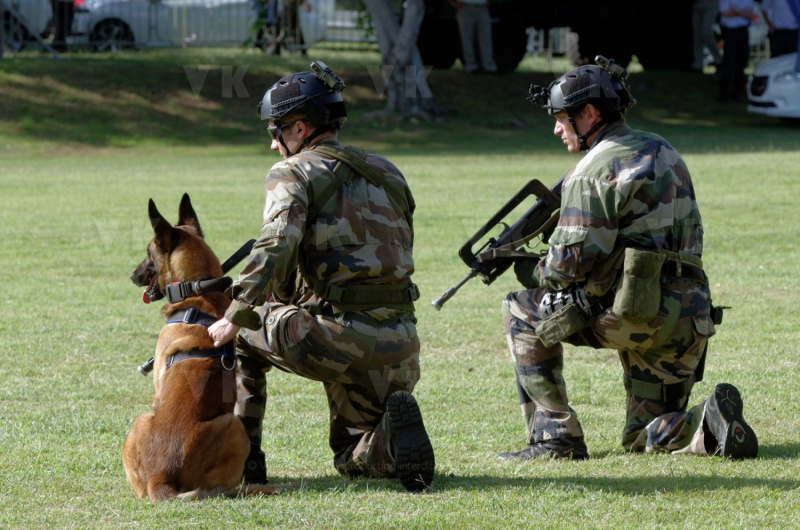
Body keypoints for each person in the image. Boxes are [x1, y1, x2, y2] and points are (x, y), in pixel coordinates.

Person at [497, 56, 758, 461]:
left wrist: (529, 266)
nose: (556, 128)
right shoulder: (664, 149)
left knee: (519, 309)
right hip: (690, 319)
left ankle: (554, 438)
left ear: (589, 113)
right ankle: (708, 423)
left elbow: (568, 267)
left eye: (562, 118)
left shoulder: (592, 169)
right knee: (643, 437)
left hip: (635, 317)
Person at [208, 62, 435, 492]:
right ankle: (387, 439)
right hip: (400, 343)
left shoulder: (292, 172)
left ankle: (243, 462)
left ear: (298, 128)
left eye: (275, 131)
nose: (274, 144)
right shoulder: (388, 171)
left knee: (241, 333)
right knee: (351, 456)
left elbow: (276, 243)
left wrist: (236, 311)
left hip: (334, 336)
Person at [718, 0, 759, 102]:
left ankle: (737, 93)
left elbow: (752, 15)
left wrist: (736, 11)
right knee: (729, 62)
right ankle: (724, 93)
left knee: (742, 62)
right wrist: (742, 13)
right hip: (730, 33)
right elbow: (725, 13)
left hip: (743, 32)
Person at [449, 0, 498, 74]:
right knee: (467, 39)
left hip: (482, 7)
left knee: (486, 38)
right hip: (465, 7)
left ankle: (489, 66)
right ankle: (471, 66)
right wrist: (453, 3)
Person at [692, 0, 723, 71]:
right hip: (697, 5)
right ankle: (698, 64)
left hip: (710, 4)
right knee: (697, 37)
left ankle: (718, 60)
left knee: (706, 33)